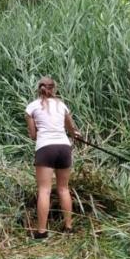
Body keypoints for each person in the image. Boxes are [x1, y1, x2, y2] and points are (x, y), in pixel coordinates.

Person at [24, 77, 77, 239]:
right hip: (64, 147)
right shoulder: (61, 105)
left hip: (46, 148)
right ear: (54, 89)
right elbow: (72, 129)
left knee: (44, 190)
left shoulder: (31, 107)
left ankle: (42, 232)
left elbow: (33, 135)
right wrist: (75, 133)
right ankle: (68, 227)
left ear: (38, 88)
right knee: (63, 189)